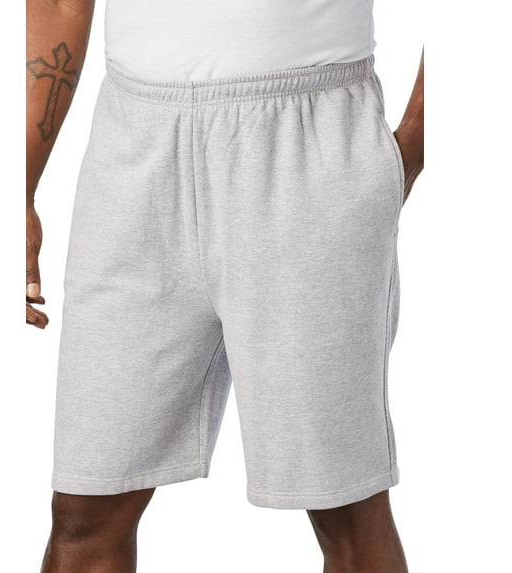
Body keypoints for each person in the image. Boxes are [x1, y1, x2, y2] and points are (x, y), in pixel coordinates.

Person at [26, 0, 424, 570]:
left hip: (307, 141)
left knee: (344, 504)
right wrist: (19, 185)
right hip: (131, 150)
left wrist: (411, 146)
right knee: (85, 505)